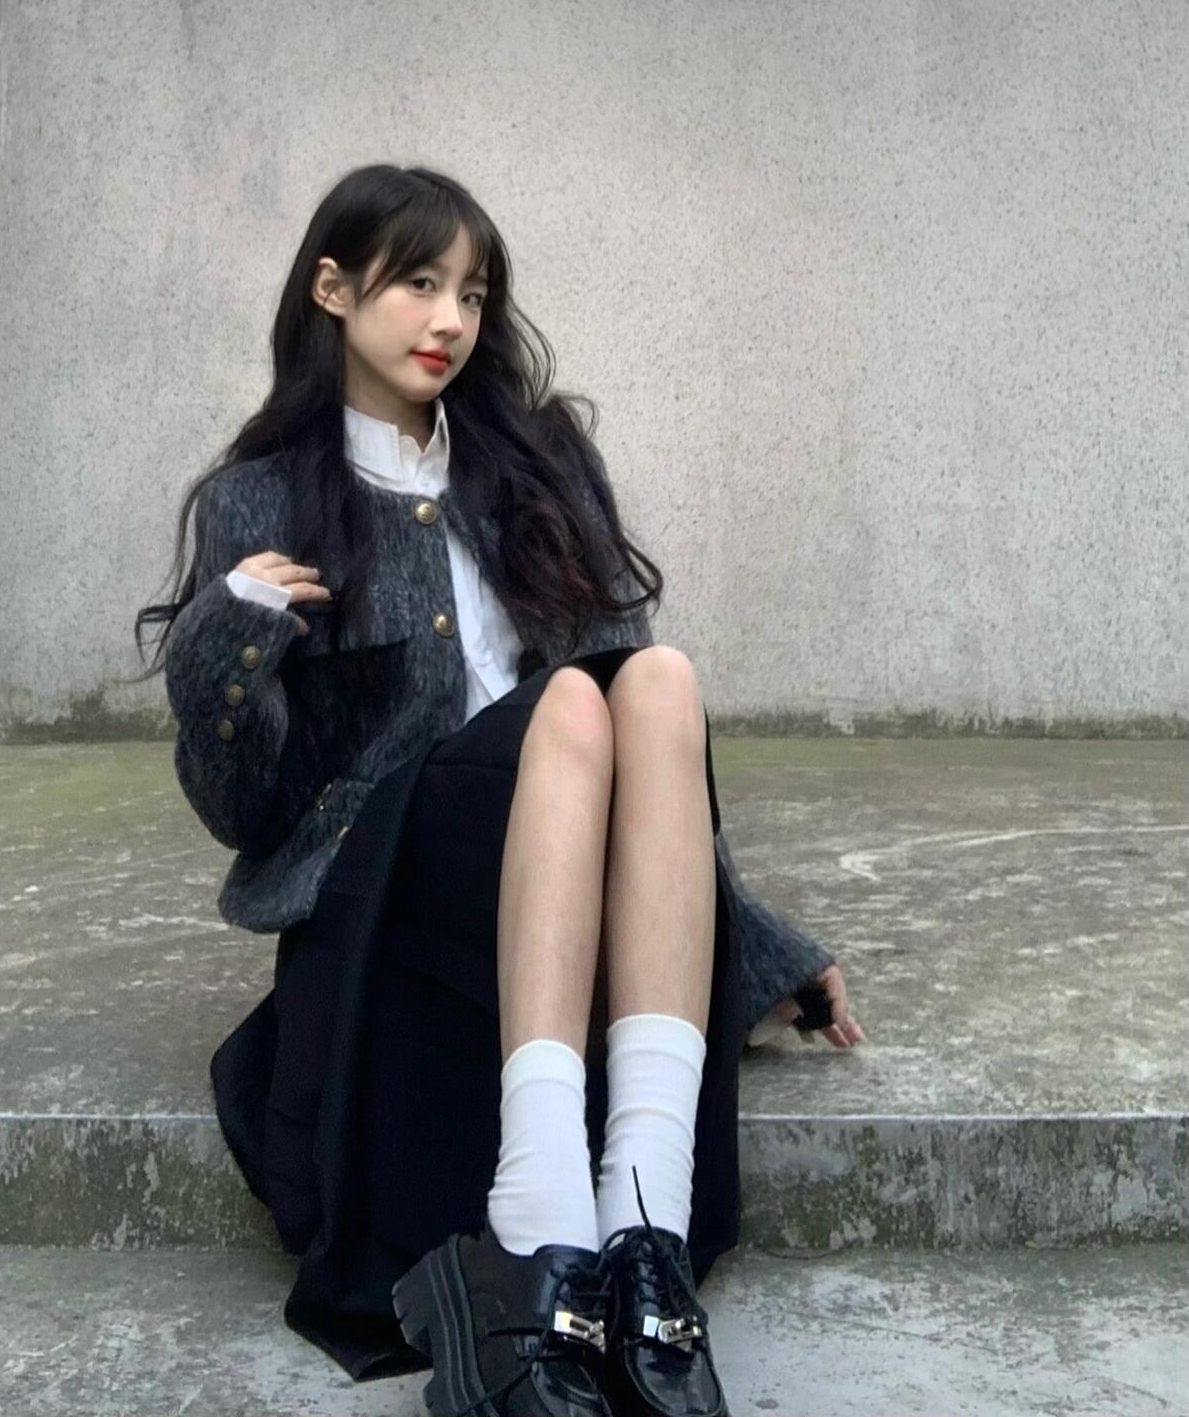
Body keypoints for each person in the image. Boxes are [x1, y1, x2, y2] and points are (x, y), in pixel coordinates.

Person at [133, 163, 863, 1417]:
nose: (450, 320)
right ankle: (538, 1214)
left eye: (472, 294)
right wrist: (225, 637)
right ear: (332, 289)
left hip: (554, 867)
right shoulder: (262, 500)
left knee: (656, 681)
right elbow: (244, 809)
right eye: (419, 283)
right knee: (574, 706)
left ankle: (642, 1220)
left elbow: (652, 753)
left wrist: (750, 942)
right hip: (391, 889)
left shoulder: (538, 462)